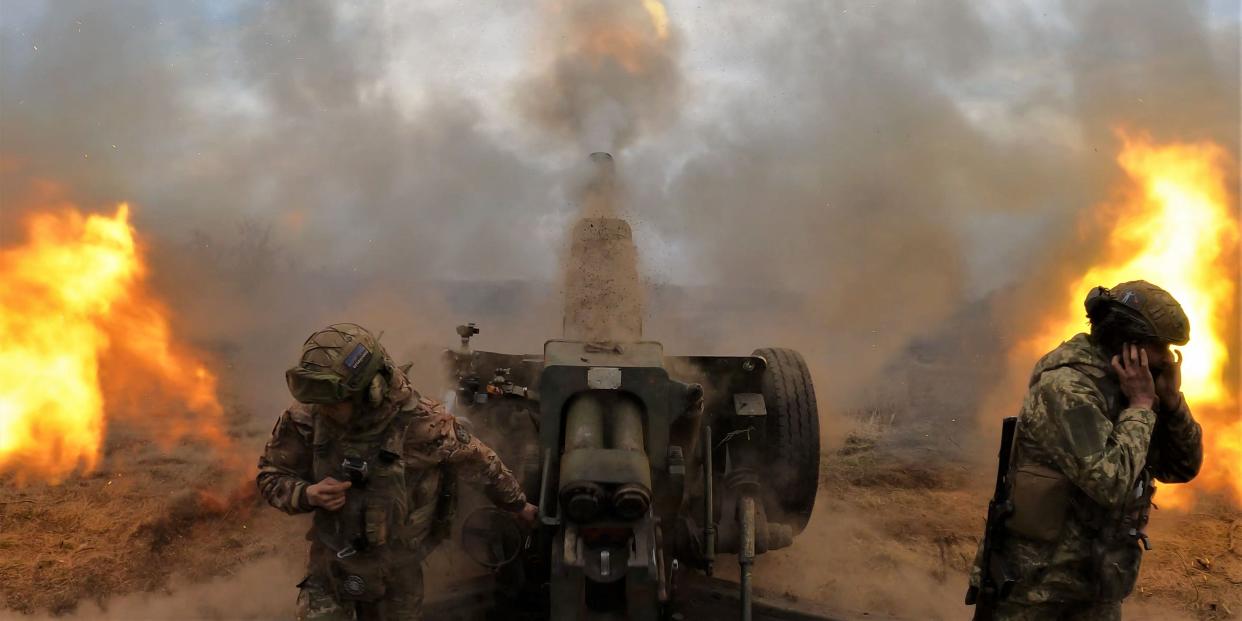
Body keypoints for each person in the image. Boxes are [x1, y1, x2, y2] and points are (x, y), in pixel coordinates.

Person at [257, 323, 538, 621]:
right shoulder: (305, 418)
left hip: (397, 577)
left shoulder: (425, 425)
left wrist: (518, 505)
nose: (323, 409)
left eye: (335, 402)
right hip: (331, 568)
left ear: (373, 391)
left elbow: (482, 464)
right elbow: (271, 474)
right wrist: (306, 494)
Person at [973, 280, 1203, 620]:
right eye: (1160, 347)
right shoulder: (1068, 387)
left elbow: (1181, 467)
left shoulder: (1129, 383)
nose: (1168, 358)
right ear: (1131, 345)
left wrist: (1170, 403)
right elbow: (1110, 483)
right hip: (1038, 589)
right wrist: (1141, 406)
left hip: (1096, 585)